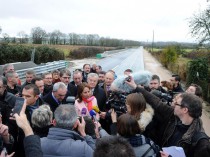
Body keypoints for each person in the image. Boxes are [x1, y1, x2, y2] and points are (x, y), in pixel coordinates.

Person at [126, 76, 210, 157]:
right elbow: (156, 102)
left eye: (176, 103)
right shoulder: (173, 116)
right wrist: (135, 86)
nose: (172, 105)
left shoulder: (201, 142)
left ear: (185, 110)